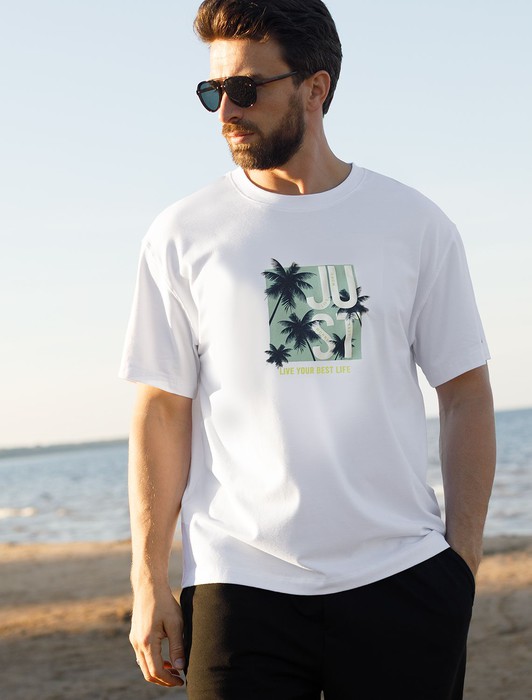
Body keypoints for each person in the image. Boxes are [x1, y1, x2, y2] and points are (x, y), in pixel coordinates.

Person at [119, 1, 496, 697]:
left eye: (245, 88)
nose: (226, 111)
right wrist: (148, 579)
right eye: (212, 91)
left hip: (402, 577)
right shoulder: (182, 234)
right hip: (239, 584)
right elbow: (162, 409)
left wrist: (461, 564)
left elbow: (465, 390)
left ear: (315, 88)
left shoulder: (413, 224)